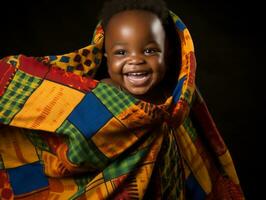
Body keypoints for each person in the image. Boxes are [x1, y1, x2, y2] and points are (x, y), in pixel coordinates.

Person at [0, 0, 245, 199]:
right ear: (105, 55)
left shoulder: (176, 103)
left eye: (149, 50)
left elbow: (198, 158)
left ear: (168, 52)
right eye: (121, 52)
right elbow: (75, 155)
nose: (135, 60)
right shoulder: (101, 98)